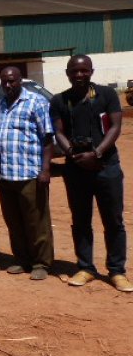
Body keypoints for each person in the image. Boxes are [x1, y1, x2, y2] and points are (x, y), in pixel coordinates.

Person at [50, 55, 132, 292]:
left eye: (83, 71)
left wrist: (96, 153)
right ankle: (86, 267)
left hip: (107, 168)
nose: (79, 75)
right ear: (67, 73)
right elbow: (59, 132)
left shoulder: (106, 95)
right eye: (74, 71)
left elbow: (116, 127)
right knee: (81, 221)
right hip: (76, 171)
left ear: (91, 72)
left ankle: (117, 271)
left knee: (114, 220)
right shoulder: (59, 100)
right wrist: (73, 154)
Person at [0, 67, 54, 281]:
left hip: (29, 173)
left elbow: (47, 138)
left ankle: (41, 263)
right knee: (14, 222)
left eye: (12, 81)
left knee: (36, 221)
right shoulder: (0, 105)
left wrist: (45, 170)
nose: (8, 85)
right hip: (5, 175)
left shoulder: (36, 102)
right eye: (4, 82)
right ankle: (22, 259)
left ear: (20, 81)